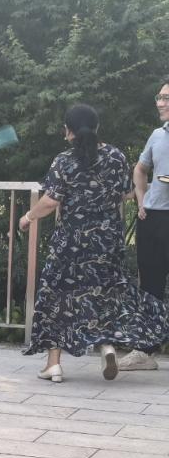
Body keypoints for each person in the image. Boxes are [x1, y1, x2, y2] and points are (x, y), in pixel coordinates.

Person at [21, 104, 169, 382]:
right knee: (105, 293)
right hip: (107, 240)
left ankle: (53, 364)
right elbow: (127, 193)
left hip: (71, 242)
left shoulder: (64, 160)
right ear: (97, 127)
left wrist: (28, 216)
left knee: (57, 296)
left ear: (68, 131)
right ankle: (107, 346)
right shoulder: (116, 156)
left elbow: (50, 201)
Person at [119, 77, 169, 371]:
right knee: (149, 285)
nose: (160, 103)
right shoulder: (157, 135)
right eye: (159, 97)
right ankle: (145, 352)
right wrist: (141, 200)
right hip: (153, 218)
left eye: (167, 98)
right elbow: (140, 169)